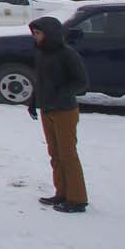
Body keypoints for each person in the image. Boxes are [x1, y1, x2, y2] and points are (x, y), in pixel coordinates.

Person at [28, 17, 90, 213]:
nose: (35, 37)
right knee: (54, 154)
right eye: (34, 33)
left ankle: (77, 198)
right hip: (47, 109)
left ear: (50, 34)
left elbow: (81, 82)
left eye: (38, 33)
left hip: (65, 110)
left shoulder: (67, 54)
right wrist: (33, 101)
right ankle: (61, 192)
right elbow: (39, 81)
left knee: (68, 154)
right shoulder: (41, 53)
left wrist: (59, 92)